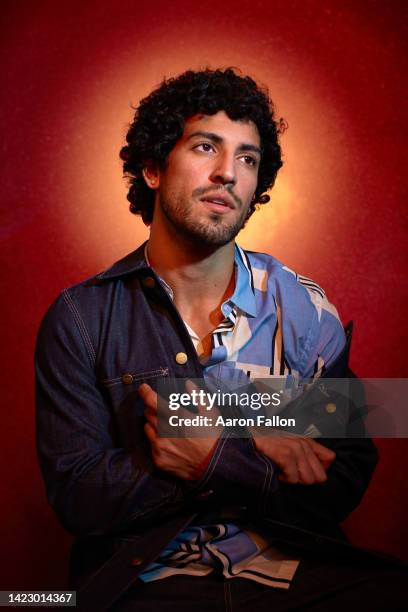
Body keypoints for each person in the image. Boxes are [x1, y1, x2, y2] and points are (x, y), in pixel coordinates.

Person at [35, 68, 407, 611]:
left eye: (248, 158)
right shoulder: (80, 316)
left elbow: (346, 472)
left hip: (298, 575)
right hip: (144, 583)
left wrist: (217, 439)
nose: (228, 173)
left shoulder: (304, 307)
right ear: (153, 167)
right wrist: (267, 431)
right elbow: (79, 498)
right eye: (206, 146)